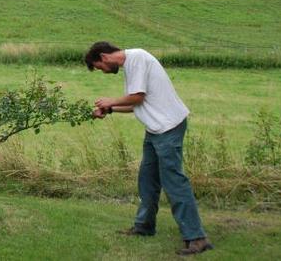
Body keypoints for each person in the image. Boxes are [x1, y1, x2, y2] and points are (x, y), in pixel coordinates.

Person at [86, 41, 214, 256]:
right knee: (147, 180)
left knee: (174, 182)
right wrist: (110, 109)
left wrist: (110, 100)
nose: (103, 72)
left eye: (99, 67)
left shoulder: (137, 58)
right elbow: (137, 103)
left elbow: (137, 97)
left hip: (167, 128)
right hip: (155, 130)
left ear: (103, 56)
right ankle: (144, 227)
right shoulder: (131, 65)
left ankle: (197, 238)